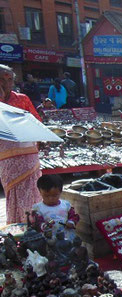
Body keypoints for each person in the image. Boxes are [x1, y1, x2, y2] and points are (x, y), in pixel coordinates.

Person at [0, 64, 42, 223]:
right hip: (7, 157)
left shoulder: (22, 99)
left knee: (33, 190)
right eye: (2, 79)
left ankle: (35, 226)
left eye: (9, 79)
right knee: (14, 192)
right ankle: (17, 226)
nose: (6, 83)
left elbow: (36, 122)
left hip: (28, 154)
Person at [32, 174, 80, 242]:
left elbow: (74, 216)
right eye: (46, 196)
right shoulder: (37, 208)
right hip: (49, 239)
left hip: (67, 237)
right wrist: (44, 226)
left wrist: (71, 222)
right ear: (40, 192)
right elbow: (37, 222)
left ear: (60, 192)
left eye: (54, 196)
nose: (51, 199)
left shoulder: (66, 205)